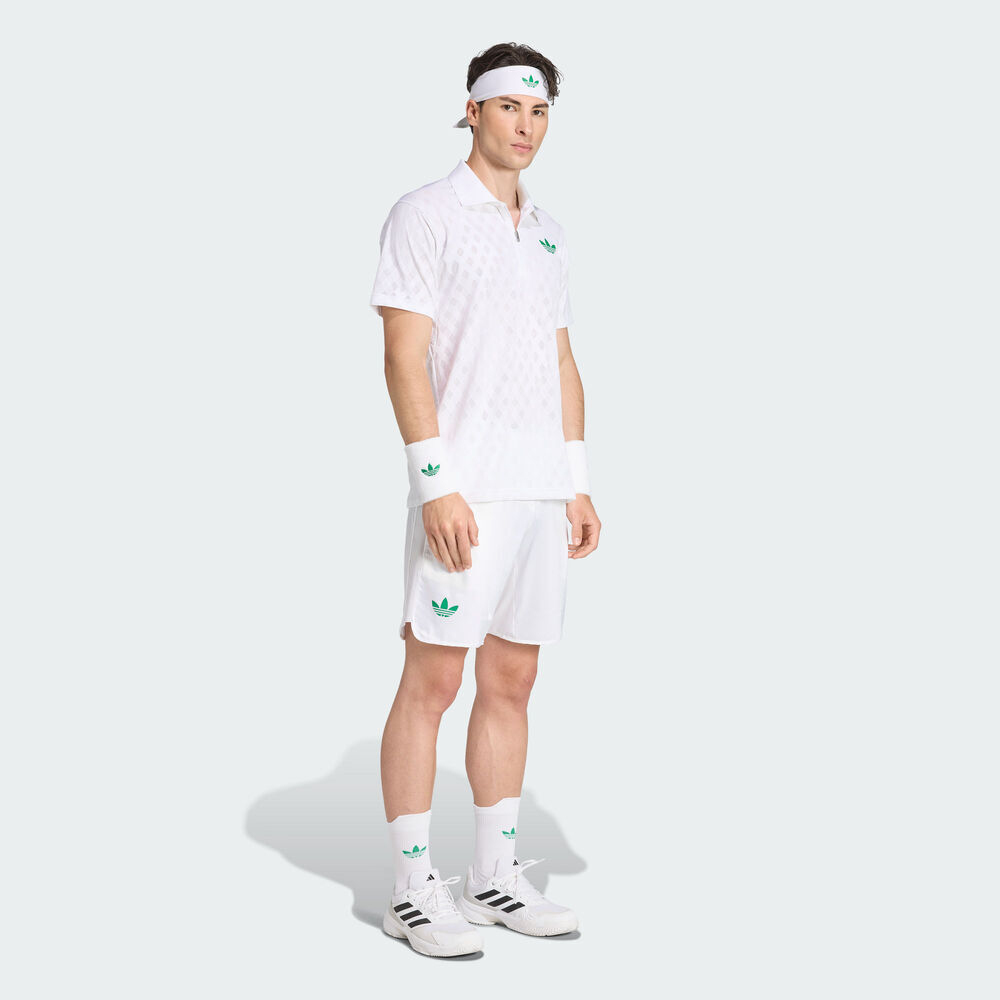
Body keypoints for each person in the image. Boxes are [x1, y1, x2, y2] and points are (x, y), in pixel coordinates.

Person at [369, 42, 601, 959]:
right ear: (473, 110)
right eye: (510, 107)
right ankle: (410, 889)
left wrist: (577, 482)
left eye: (540, 111)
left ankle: (494, 877)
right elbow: (402, 354)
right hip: (465, 493)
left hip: (539, 492)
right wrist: (435, 484)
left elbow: (562, 359)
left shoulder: (548, 232)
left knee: (513, 681)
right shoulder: (424, 214)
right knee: (432, 681)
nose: (526, 126)